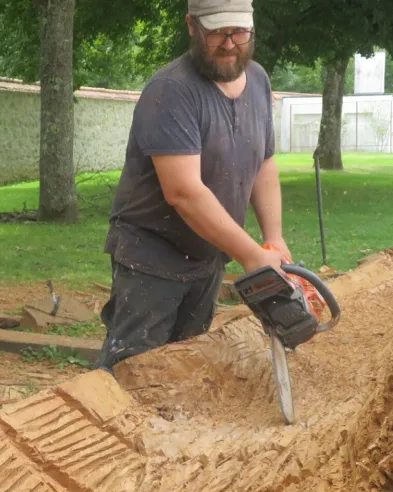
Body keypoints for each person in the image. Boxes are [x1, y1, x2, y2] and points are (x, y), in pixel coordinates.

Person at [94, 0, 291, 373]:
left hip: (207, 254)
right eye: (217, 32)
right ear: (191, 26)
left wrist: (273, 238)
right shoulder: (171, 90)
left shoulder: (259, 81)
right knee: (134, 369)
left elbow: (263, 163)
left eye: (240, 32)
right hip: (151, 254)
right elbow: (183, 192)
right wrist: (251, 255)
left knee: (184, 368)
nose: (230, 44)